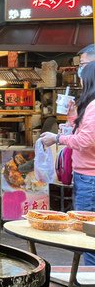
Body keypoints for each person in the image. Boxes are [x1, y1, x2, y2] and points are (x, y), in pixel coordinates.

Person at [40, 60, 95, 267]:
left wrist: (57, 139)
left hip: (90, 178)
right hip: (87, 176)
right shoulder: (90, 106)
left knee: (88, 234)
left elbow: (84, 141)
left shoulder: (94, 106)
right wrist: (73, 117)